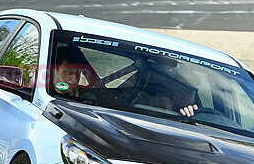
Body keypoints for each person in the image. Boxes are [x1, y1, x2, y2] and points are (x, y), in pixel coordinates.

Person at [53, 45, 199, 117]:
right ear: (53, 73)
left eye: (78, 73)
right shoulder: (44, 97)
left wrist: (185, 111)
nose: (74, 78)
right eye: (67, 72)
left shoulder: (93, 96)